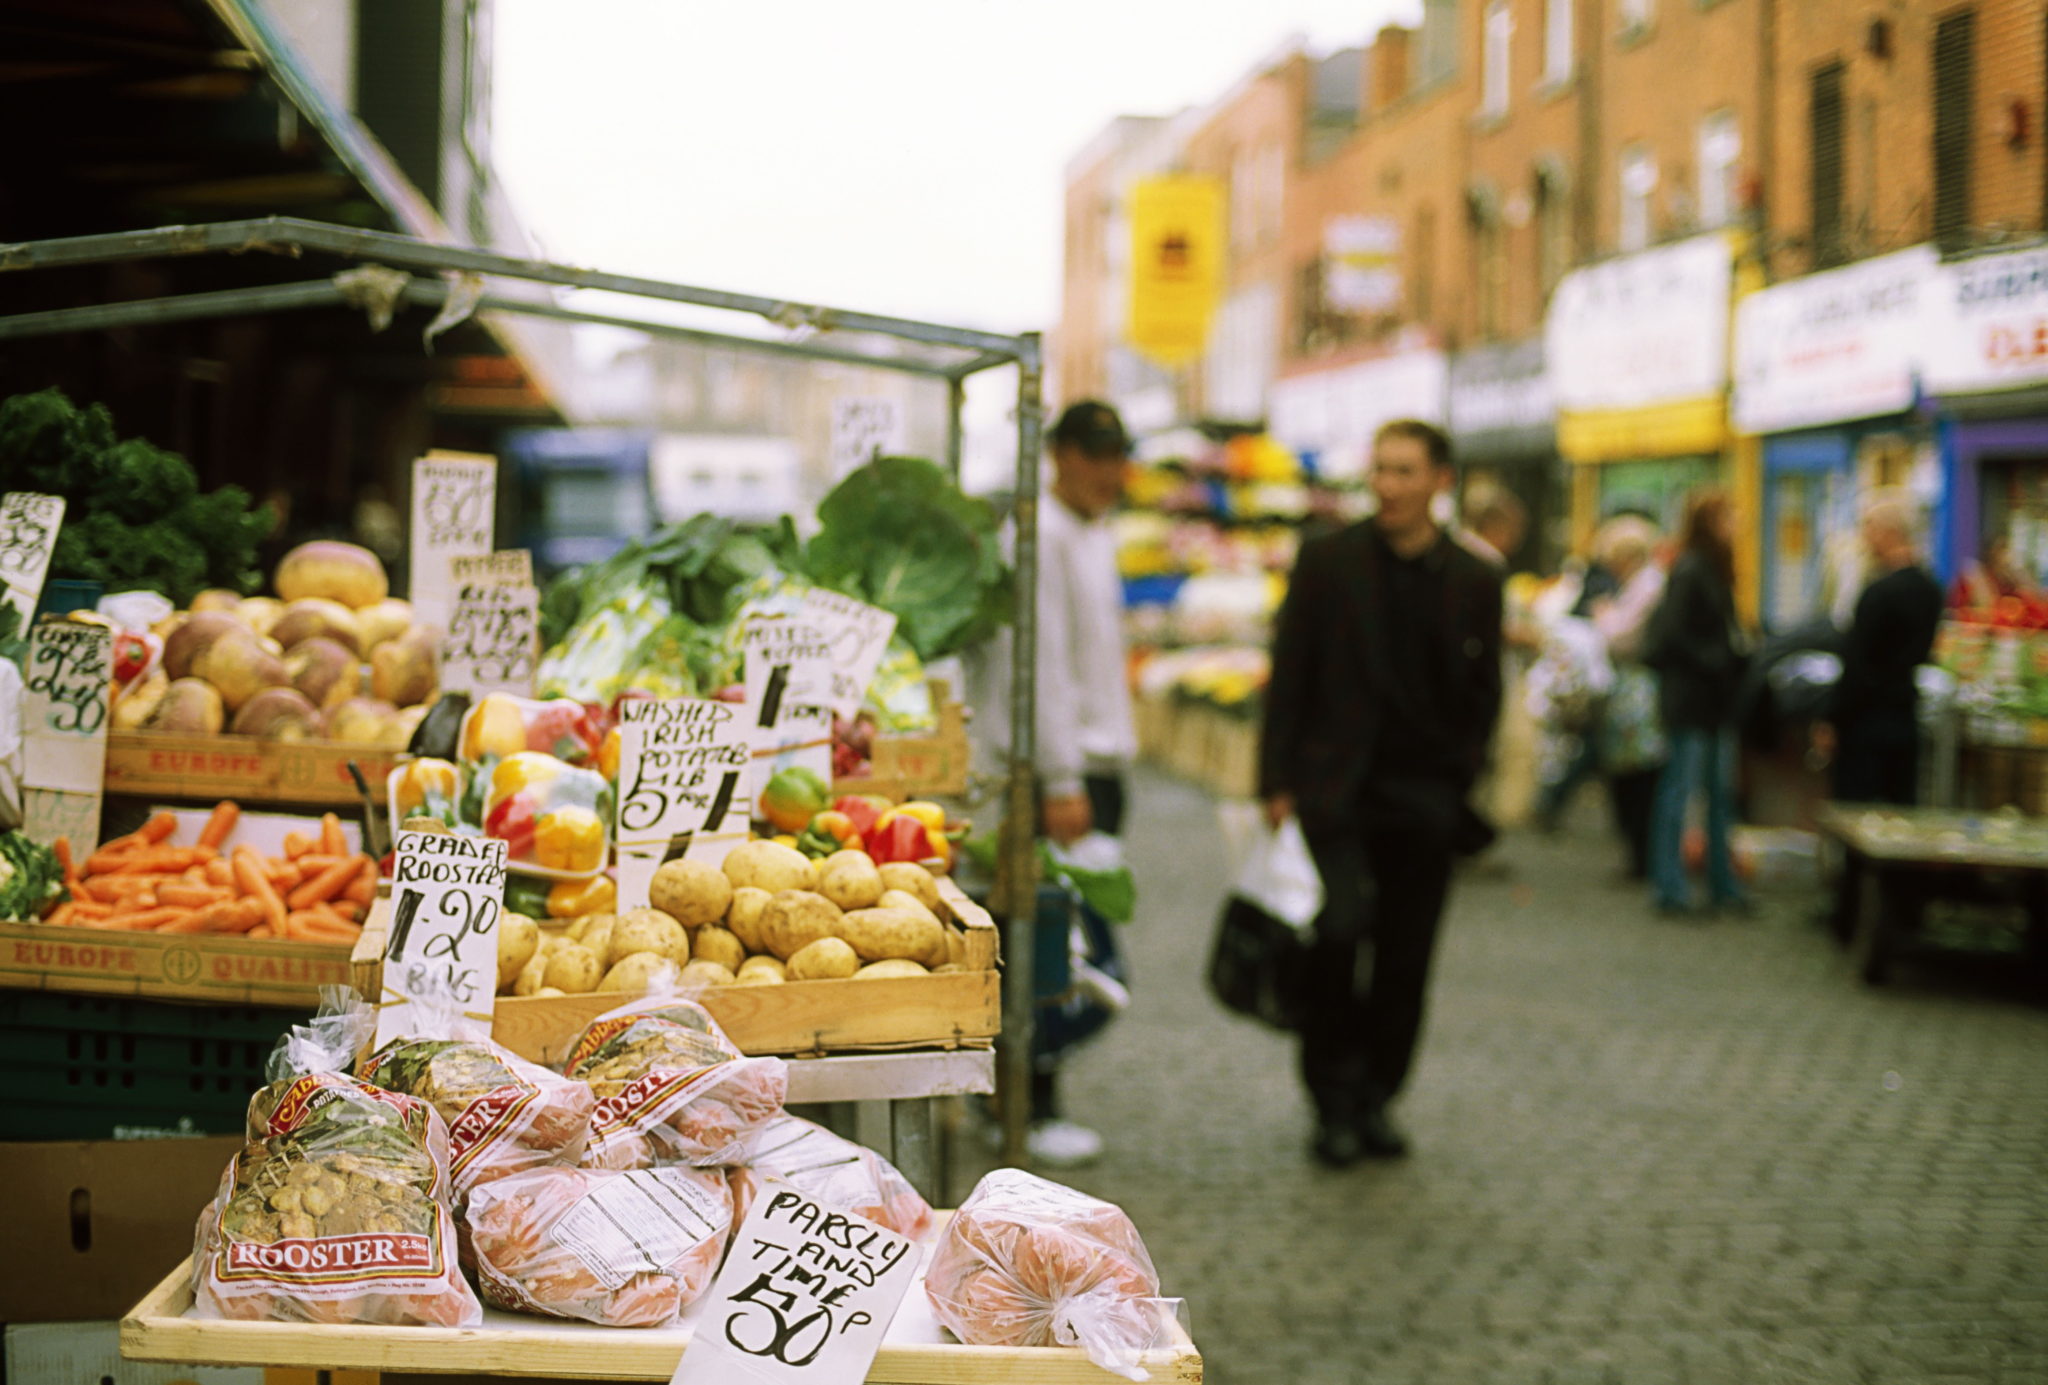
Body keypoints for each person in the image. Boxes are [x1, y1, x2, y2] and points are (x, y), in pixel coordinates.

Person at [1260, 420, 1504, 1167]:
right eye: (1380, 470)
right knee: (1337, 939)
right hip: (1336, 791)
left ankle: (1377, 1097)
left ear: (1440, 480)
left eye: (1405, 471)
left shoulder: (1475, 576)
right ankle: (1331, 1100)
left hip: (1424, 799)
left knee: (1406, 959)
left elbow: (1484, 690)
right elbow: (1290, 669)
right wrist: (1275, 782)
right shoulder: (1329, 560)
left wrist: (1459, 775)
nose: (1389, 485)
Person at [970, 399, 1137, 1168]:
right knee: (1055, 950)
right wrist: (1060, 775)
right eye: (1094, 454)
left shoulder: (1091, 535)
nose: (1109, 470)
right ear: (1060, 455)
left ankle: (1015, 1096)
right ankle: (1029, 1107)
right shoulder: (1038, 539)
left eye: (1116, 454)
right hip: (1059, 774)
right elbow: (1037, 669)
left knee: (1057, 941)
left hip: (1090, 765)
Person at [1643, 489, 1752, 918]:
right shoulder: (1693, 570)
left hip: (1710, 700)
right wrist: (1719, 658)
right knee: (1683, 794)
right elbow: (1673, 635)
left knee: (1713, 795)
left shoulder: (1708, 567)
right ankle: (1672, 887)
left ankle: (1719, 885)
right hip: (1694, 700)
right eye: (1729, 516)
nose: (1736, 525)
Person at [1814, 491, 1944, 805]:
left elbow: (1857, 664)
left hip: (1865, 723)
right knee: (1899, 819)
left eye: (1869, 527)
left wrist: (1831, 718)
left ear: (1889, 532)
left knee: (1855, 818)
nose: (1864, 538)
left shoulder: (1878, 593)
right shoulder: (1931, 590)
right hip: (1904, 715)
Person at [1587, 514, 1668, 881]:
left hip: (1638, 690)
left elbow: (1619, 636)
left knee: (1636, 777)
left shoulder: (1647, 585)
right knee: (1632, 775)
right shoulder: (1643, 583)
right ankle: (1641, 854)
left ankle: (1643, 857)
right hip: (1634, 686)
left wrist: (1603, 614)